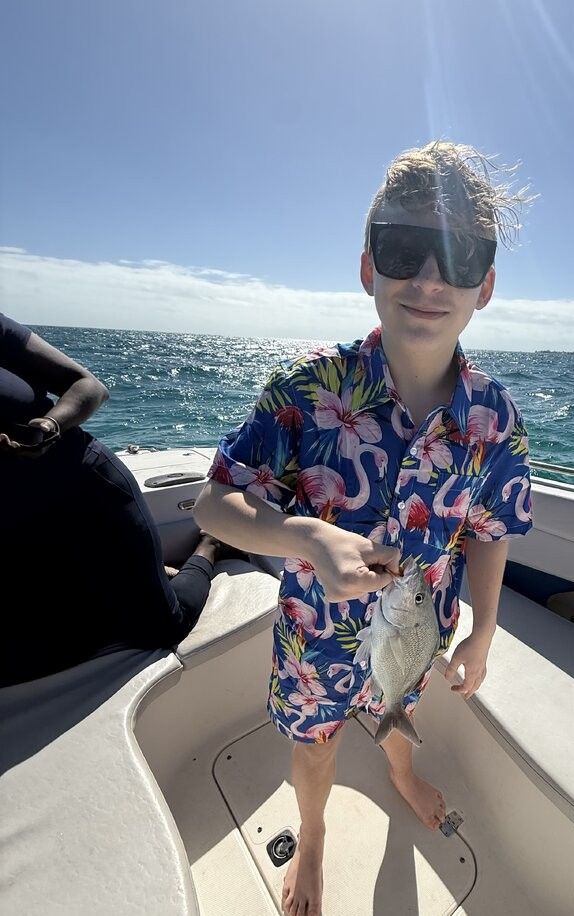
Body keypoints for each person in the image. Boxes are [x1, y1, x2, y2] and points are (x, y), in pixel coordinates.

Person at [194, 140, 534, 916]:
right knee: (313, 744)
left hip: (421, 626)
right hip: (313, 632)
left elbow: (490, 526)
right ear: (366, 267)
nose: (426, 279)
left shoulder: (495, 418)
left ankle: (402, 772)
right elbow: (216, 503)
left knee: (400, 705)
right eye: (403, 249)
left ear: (485, 286)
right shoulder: (308, 387)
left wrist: (484, 629)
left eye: (456, 258)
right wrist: (308, 537)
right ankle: (312, 838)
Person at [0, 314, 233, 687]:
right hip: (13, 522)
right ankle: (152, 571)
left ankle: (209, 546)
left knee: (160, 627)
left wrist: (49, 425)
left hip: (85, 492)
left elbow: (88, 386)